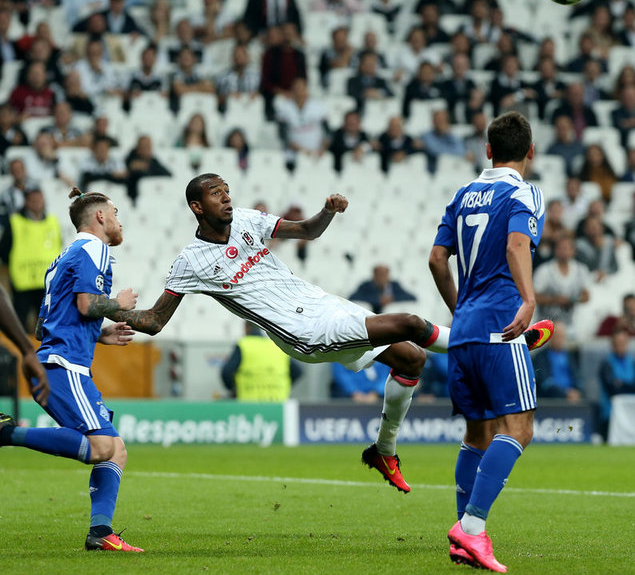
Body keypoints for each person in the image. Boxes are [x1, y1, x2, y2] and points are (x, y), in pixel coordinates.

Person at [108, 173, 552, 494]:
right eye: (215, 194)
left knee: (412, 359)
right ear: (196, 206)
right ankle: (495, 342)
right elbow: (155, 320)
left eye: (226, 190)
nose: (226, 198)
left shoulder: (245, 219)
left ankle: (383, 450)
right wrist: (107, 309)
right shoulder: (190, 262)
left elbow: (306, 231)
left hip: (322, 305)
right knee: (412, 324)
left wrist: (328, 211)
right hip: (300, 330)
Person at [429, 111, 550, 572]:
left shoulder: (462, 194)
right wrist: (528, 298)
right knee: (518, 429)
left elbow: (437, 260)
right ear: (530, 152)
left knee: (477, 434)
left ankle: (464, 536)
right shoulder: (524, 191)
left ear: (488, 151)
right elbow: (516, 245)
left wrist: (461, 310)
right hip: (502, 324)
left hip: (463, 332)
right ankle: (472, 529)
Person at [0, 188, 142, 552]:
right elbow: (86, 303)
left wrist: (100, 334)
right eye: (114, 211)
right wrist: (118, 306)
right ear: (99, 217)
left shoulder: (63, 257)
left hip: (58, 363)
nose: (118, 218)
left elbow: (41, 327)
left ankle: (100, 533)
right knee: (102, 446)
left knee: (116, 450)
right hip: (65, 368)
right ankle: (7, 433)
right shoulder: (94, 249)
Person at [0, 188, 62, 331]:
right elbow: (3, 250)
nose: (37, 204)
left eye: (40, 200)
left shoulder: (52, 221)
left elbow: (58, 246)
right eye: (33, 201)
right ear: (26, 202)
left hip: (46, 282)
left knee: (48, 324)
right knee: (20, 322)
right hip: (23, 282)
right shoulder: (15, 222)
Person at [221, 322, 303, 401]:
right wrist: (285, 386)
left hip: (250, 405)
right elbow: (298, 371)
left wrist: (233, 389)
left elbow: (226, 372)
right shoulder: (276, 346)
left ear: (247, 328)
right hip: (279, 404)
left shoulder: (244, 344)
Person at [598, 328, 635, 440]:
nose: (621, 346)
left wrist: (621, 383)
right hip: (611, 414)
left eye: (623, 343)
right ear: (612, 345)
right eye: (618, 343)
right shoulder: (606, 364)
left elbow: (620, 386)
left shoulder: (632, 362)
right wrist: (628, 386)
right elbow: (612, 389)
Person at [532, 321, 582, 401]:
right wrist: (565, 393)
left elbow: (577, 377)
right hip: (550, 401)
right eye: (557, 336)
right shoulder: (540, 357)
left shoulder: (569, 355)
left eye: (562, 336)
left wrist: (577, 391)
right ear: (550, 337)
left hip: (571, 400)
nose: (560, 339)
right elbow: (545, 382)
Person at [349, 264, 416, 314]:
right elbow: (352, 297)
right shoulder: (366, 285)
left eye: (384, 275)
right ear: (374, 275)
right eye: (380, 275)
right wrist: (377, 299)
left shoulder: (394, 285)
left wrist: (392, 299)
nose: (382, 277)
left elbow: (412, 297)